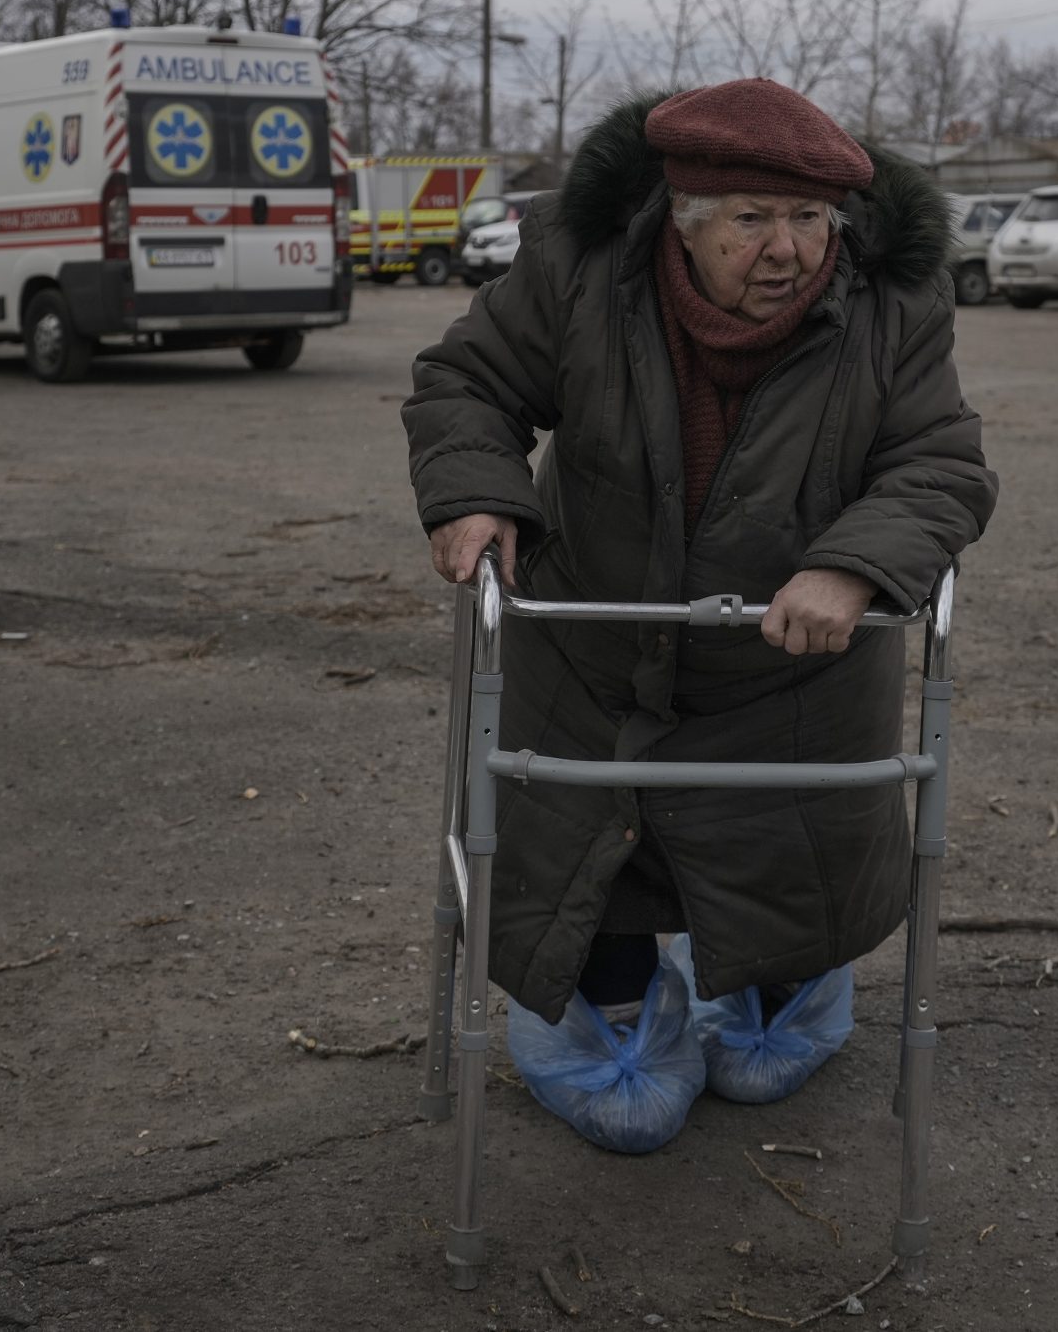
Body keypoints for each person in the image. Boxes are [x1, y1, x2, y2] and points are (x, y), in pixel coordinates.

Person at [403, 78, 997, 1151]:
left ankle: (785, 991)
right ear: (682, 220)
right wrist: (478, 491)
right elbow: (469, 381)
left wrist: (854, 567)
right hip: (593, 640)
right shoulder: (580, 270)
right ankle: (619, 1000)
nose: (789, 251)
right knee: (591, 847)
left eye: (812, 220)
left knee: (791, 845)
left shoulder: (891, 302)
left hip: (795, 659)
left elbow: (939, 461)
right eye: (752, 221)